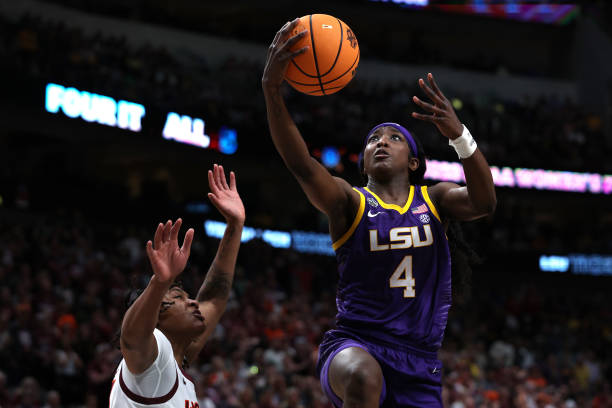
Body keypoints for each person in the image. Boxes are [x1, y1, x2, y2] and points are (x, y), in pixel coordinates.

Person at [262, 19, 497, 408]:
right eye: (373, 139)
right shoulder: (349, 202)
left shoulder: (435, 200)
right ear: (364, 163)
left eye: (393, 138)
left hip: (419, 361)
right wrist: (272, 92)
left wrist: (459, 136)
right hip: (356, 344)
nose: (381, 142)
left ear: (415, 162)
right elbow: (303, 166)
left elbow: (485, 203)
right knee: (361, 376)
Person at [109, 164, 245, 407]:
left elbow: (213, 297)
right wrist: (159, 284)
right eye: (179, 298)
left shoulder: (174, 362)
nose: (192, 302)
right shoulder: (154, 357)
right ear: (157, 319)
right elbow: (131, 337)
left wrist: (235, 226)